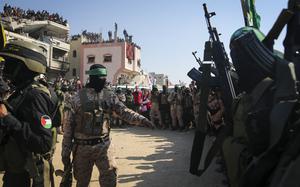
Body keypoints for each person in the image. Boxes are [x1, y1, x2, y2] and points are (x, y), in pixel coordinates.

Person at [61, 64, 154, 187]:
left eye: (105, 78)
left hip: (103, 146)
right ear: (93, 78)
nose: (104, 81)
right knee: (82, 182)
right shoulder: (76, 98)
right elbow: (68, 128)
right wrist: (65, 153)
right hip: (82, 148)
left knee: (110, 180)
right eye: (101, 78)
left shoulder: (108, 95)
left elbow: (124, 112)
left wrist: (142, 120)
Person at [0, 40, 56, 187]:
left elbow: (43, 143)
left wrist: (7, 118)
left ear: (25, 66)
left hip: (29, 175)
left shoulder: (35, 96)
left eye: (11, 63)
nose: (6, 67)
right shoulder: (20, 91)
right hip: (16, 170)